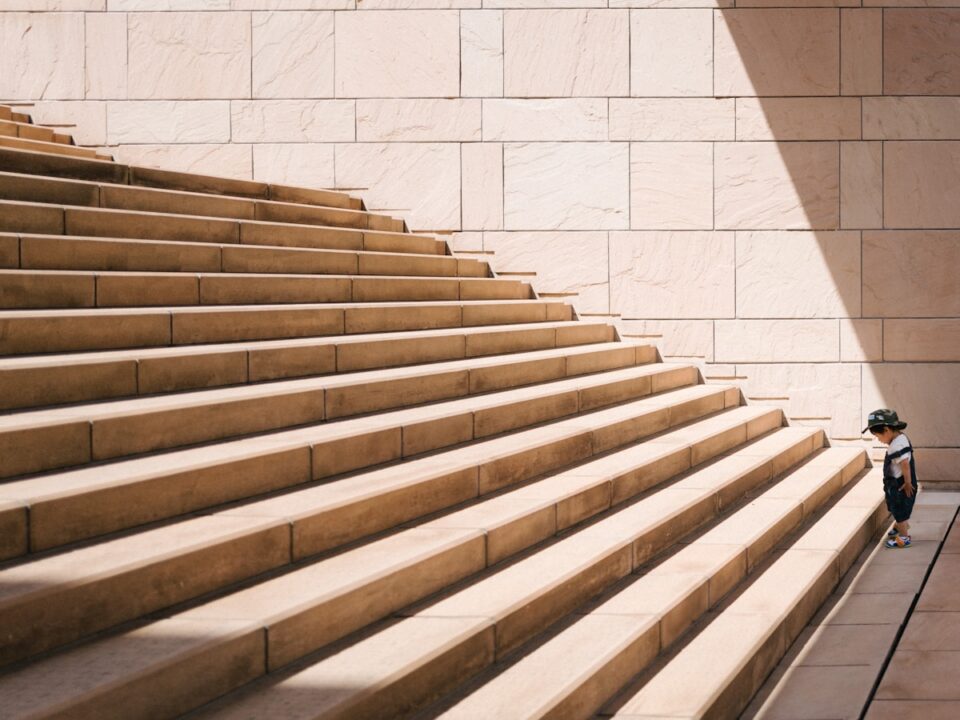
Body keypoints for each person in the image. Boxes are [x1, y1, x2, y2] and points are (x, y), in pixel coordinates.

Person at [863, 409, 917, 548]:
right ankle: (900, 526)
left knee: (898, 509)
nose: (878, 440)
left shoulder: (895, 446)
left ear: (886, 430)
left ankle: (904, 537)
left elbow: (905, 464)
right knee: (898, 508)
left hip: (900, 484)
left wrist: (907, 483)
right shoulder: (901, 438)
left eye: (878, 436)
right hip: (901, 481)